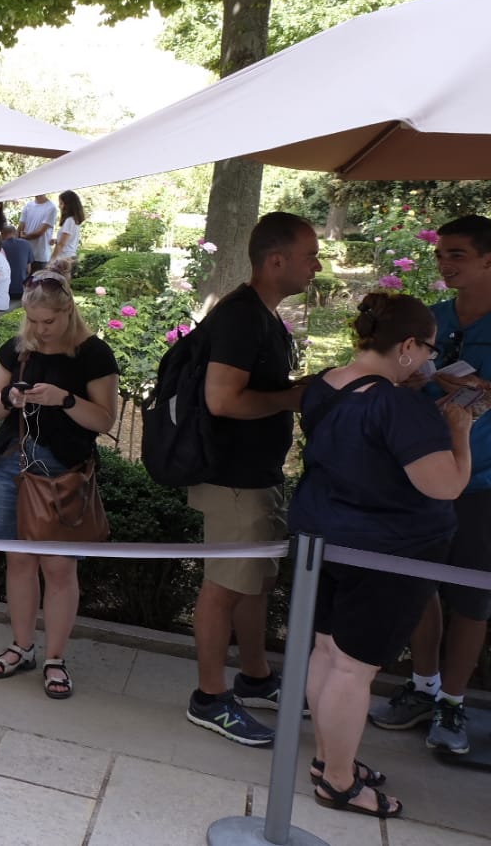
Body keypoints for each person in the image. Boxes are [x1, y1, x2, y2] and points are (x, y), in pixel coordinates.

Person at [292, 292, 471, 818]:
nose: (433, 363)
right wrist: (459, 432)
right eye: (430, 350)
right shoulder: (396, 405)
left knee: (327, 652)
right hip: (388, 551)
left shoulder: (326, 384)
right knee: (353, 668)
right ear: (409, 346)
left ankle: (330, 761)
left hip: (324, 536)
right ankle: (340, 782)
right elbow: (444, 486)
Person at [185, 211, 320, 745]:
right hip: (233, 479)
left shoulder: (262, 315)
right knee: (223, 587)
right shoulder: (242, 317)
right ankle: (209, 697)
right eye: (310, 254)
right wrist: (291, 396)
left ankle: (256, 677)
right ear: (276, 260)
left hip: (255, 476)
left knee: (255, 583)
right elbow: (222, 399)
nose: (317, 265)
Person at [373, 214, 491, 753]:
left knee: (472, 598)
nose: (444, 263)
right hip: (420, 476)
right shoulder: (434, 319)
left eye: (458, 254)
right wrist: (415, 375)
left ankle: (453, 704)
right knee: (417, 585)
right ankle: (423, 687)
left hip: (483, 485)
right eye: (441, 253)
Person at [0, 269, 117, 698]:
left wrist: (65, 399)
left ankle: (55, 657)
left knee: (58, 567)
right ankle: (23, 647)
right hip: (13, 467)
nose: (40, 330)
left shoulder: (93, 354)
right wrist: (11, 398)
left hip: (63, 474)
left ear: (68, 312)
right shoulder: (19, 348)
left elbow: (105, 420)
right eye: (33, 322)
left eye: (48, 322)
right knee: (18, 561)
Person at [19, 193, 58, 273]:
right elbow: (21, 226)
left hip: (40, 255)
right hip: (25, 253)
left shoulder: (51, 208)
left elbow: (40, 232)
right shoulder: (28, 206)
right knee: (23, 282)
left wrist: (24, 237)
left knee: (37, 283)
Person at [0, 224, 32, 306]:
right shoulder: (26, 244)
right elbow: (28, 270)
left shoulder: (0, 246)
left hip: (5, 291)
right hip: (22, 291)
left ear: (2, 234)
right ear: (15, 233)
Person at [52, 190, 85, 268]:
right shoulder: (74, 220)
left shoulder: (69, 221)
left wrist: (52, 260)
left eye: (61, 203)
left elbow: (61, 244)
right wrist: (56, 240)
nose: (59, 206)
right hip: (69, 256)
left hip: (64, 258)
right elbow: (68, 240)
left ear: (68, 205)